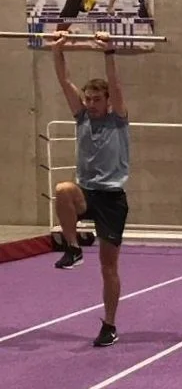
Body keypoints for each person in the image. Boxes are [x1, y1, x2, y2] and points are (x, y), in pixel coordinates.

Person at [49, 30, 129, 348]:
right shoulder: (81, 118)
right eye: (89, 100)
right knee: (63, 188)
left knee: (108, 266)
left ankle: (109, 324)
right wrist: (58, 50)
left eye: (98, 100)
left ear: (107, 102)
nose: (92, 104)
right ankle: (73, 248)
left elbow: (118, 86)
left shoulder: (118, 120)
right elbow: (63, 81)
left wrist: (109, 52)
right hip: (86, 193)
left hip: (111, 200)